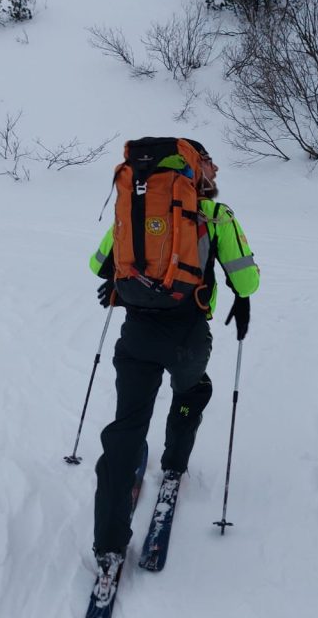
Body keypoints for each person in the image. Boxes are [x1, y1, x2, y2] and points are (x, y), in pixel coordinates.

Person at [88, 138, 260, 584]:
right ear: (194, 167)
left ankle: (107, 545)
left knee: (126, 428)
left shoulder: (133, 209)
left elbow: (97, 264)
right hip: (187, 334)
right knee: (192, 390)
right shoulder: (216, 216)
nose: (216, 170)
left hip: (137, 334)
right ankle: (175, 463)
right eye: (210, 163)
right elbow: (248, 278)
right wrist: (240, 297)